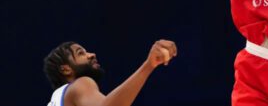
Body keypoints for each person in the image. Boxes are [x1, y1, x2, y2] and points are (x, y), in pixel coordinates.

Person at [44, 40, 177, 106]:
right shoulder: (80, 84)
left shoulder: (58, 98)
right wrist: (149, 65)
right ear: (66, 69)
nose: (91, 54)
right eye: (81, 53)